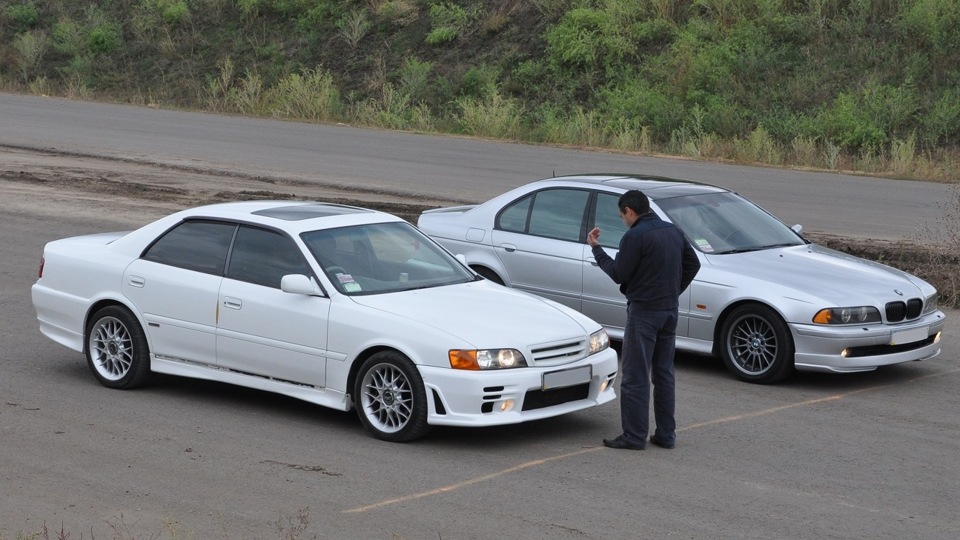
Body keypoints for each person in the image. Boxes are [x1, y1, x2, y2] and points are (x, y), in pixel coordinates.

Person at [587, 190, 700, 450]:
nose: (622, 220)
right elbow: (692, 264)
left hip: (644, 314)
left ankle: (635, 436)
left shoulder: (634, 236)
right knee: (663, 374)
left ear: (629, 210)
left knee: (635, 377)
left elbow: (618, 273)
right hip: (669, 311)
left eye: (621, 215)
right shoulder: (672, 230)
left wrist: (596, 249)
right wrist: (672, 291)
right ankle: (666, 435)